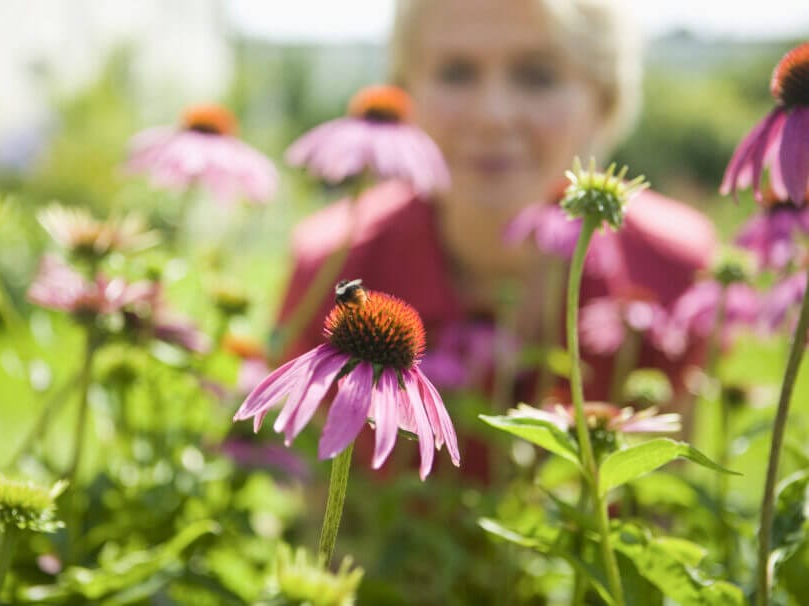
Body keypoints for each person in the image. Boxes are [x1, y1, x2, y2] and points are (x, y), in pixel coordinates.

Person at [276, 0, 716, 410]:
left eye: (537, 76)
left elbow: (672, 485)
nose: (492, 114)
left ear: (604, 101)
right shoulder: (332, 267)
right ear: (403, 94)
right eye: (456, 73)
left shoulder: (677, 270)